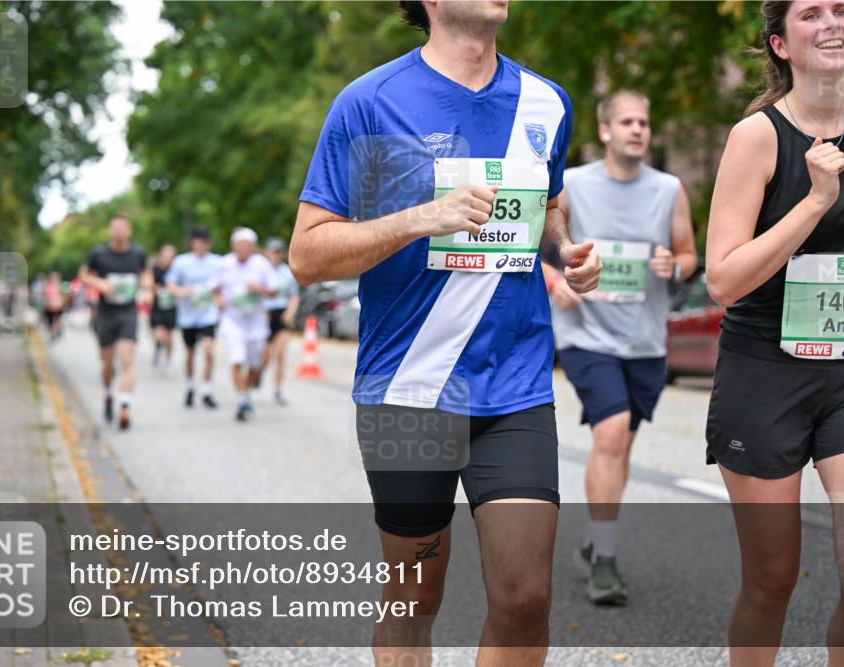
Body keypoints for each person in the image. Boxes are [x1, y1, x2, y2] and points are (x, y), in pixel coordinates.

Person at [290, 1, 601, 663]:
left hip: (513, 382)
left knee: (525, 598)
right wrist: (420, 217)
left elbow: (547, 202)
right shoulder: (368, 103)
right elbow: (308, 254)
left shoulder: (547, 103)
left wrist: (569, 247)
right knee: (412, 602)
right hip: (407, 387)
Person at [704, 2, 844, 665]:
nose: (832, 21)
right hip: (764, 374)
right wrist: (815, 201)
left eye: (841, 9)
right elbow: (722, 280)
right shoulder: (758, 136)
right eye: (811, 14)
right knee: (772, 580)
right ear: (780, 42)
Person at [543, 89, 698, 604]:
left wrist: (672, 266)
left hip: (645, 340)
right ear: (605, 130)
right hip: (587, 335)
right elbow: (527, 238)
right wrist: (552, 279)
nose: (638, 129)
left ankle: (593, 540)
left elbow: (688, 255)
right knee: (611, 434)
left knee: (621, 444)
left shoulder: (669, 188)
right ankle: (604, 562)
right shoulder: (574, 186)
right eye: (627, 122)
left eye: (644, 122)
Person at [79, 215, 152, 430]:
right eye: (115, 228)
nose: (119, 231)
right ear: (110, 231)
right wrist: (99, 282)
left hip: (128, 311)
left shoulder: (137, 254)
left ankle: (125, 407)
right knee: (108, 363)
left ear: (129, 231)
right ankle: (108, 394)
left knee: (127, 359)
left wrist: (147, 289)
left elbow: (145, 273)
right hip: (106, 313)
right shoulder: (98, 254)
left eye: (123, 228)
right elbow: (83, 275)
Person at [211, 227, 277, 422]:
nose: (242, 249)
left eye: (246, 245)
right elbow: (214, 288)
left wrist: (259, 289)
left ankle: (246, 390)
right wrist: (219, 300)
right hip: (233, 320)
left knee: (257, 364)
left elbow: (273, 292)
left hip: (255, 320)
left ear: (253, 247)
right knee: (237, 358)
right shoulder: (224, 264)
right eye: (239, 245)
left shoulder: (261, 264)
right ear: (233, 246)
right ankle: (241, 400)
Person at [165, 229, 222, 408]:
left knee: (209, 350)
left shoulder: (216, 262)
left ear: (208, 243)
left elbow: (223, 284)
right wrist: (183, 291)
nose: (201, 244)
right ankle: (190, 386)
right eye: (197, 240)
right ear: (192, 242)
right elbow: (170, 284)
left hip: (208, 314)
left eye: (204, 241)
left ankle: (206, 389)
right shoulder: (182, 262)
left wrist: (217, 296)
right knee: (190, 353)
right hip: (188, 315)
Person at [260, 238, 301, 406]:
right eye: (273, 252)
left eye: (279, 252)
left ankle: (278, 389)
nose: (276, 255)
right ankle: (257, 375)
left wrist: (290, 313)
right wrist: (261, 312)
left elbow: (294, 296)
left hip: (281, 313)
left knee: (281, 354)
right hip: (265, 315)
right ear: (267, 253)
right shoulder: (261, 271)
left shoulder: (286, 272)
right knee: (265, 355)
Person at [150, 243, 178, 374]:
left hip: (172, 307)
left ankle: (168, 360)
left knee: (170, 336)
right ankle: (158, 350)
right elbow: (149, 284)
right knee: (159, 335)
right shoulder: (155, 269)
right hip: (158, 307)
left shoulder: (176, 270)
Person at [42, 271, 67, 341]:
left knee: (56, 320)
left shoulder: (60, 285)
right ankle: (53, 332)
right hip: (49, 307)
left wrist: (62, 302)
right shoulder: (47, 286)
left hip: (57, 306)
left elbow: (64, 295)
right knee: (50, 322)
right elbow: (44, 296)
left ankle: (55, 332)